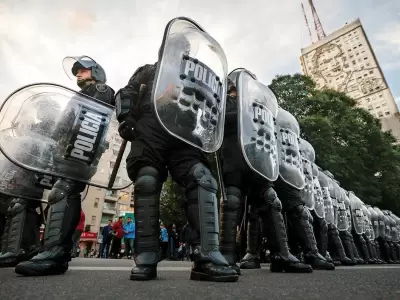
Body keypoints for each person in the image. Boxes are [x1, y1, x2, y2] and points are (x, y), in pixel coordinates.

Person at [115, 18, 238, 282]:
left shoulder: (195, 75)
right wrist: (126, 115)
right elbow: (126, 92)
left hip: (185, 133)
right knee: (147, 180)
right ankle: (146, 255)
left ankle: (206, 255)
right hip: (150, 129)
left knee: (202, 179)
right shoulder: (148, 71)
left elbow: (210, 105)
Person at [15, 56, 115, 276]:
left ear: (95, 71)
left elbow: (91, 122)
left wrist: (76, 148)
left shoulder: (100, 89)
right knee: (61, 193)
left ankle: (55, 254)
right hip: (70, 151)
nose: (78, 74)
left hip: (81, 148)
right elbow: (62, 126)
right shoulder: (81, 94)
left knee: (64, 191)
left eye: (83, 70)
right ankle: (50, 250)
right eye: (76, 71)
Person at [219, 69, 312, 274]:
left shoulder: (262, 108)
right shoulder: (226, 101)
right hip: (234, 157)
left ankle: (281, 254)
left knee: (271, 201)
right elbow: (219, 121)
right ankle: (226, 255)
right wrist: (244, 112)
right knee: (232, 201)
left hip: (258, 159)